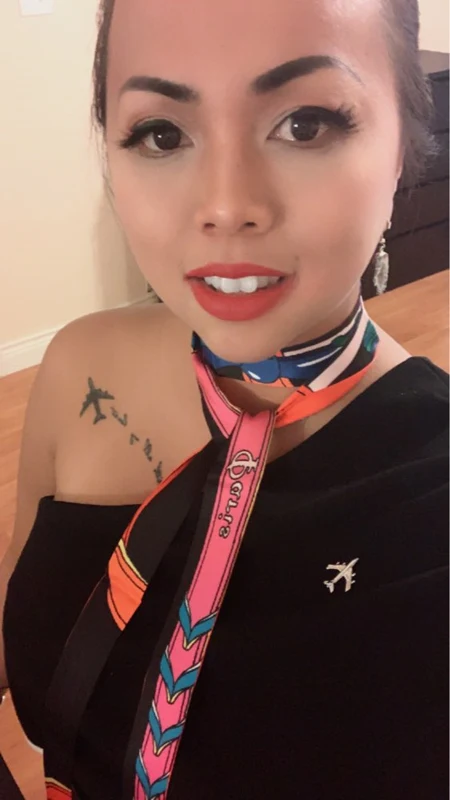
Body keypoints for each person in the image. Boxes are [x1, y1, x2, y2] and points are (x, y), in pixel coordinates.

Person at [0, 0, 448, 797]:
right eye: (161, 133)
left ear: (403, 148)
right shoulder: (80, 370)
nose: (226, 205)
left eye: (305, 124)